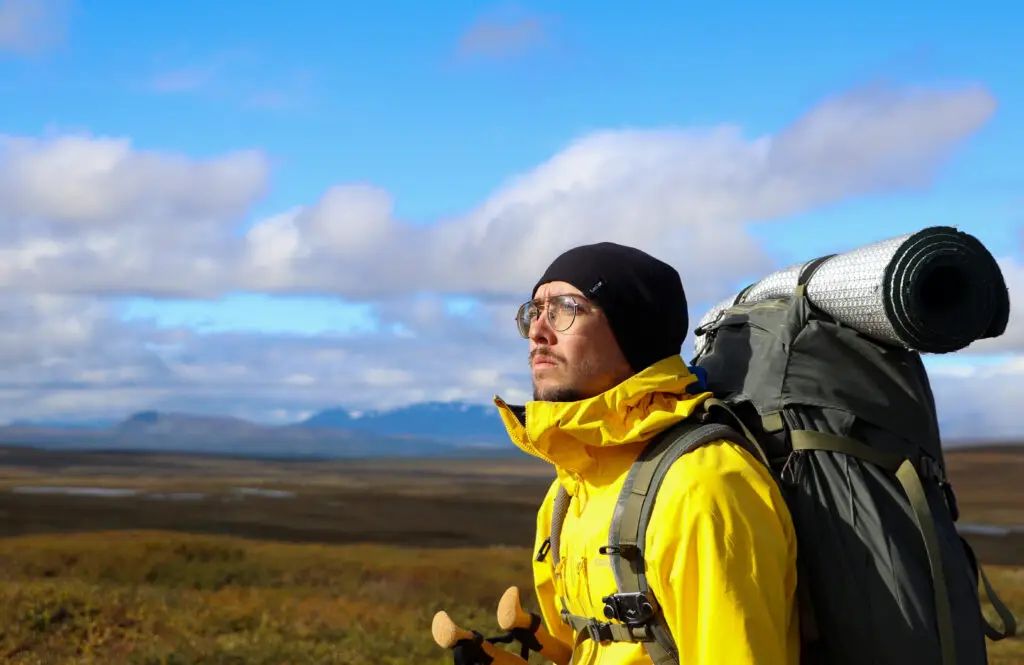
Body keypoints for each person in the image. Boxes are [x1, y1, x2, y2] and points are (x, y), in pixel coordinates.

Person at [493, 242, 801, 665]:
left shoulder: (702, 486)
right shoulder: (567, 493)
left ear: (631, 327)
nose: (538, 331)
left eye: (566, 308)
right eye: (534, 310)